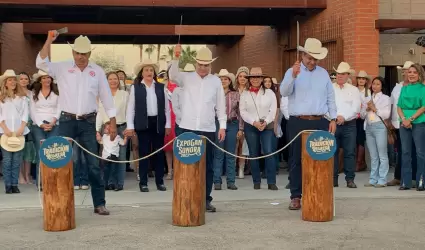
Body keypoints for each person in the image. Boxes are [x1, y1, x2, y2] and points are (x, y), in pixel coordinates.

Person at [36, 32, 117, 216]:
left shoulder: (97, 71)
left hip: (88, 122)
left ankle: (99, 203)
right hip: (66, 121)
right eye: (77, 53)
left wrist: (112, 122)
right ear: (73, 53)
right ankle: (59, 202)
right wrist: (49, 40)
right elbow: (40, 63)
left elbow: (106, 97)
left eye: (84, 53)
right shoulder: (62, 67)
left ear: (89, 53)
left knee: (93, 165)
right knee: (61, 161)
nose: (81, 57)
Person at [280, 38, 337, 210]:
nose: (312, 62)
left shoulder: (324, 73)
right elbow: (284, 91)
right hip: (298, 121)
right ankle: (296, 195)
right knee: (296, 159)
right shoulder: (292, 71)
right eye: (309, 58)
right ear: (303, 55)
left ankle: (316, 191)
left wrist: (333, 118)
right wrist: (292, 76)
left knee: (319, 158)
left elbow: (330, 97)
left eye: (315, 59)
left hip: (319, 120)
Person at [169, 45, 226, 212]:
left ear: (210, 65)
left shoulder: (215, 81)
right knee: (187, 165)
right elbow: (172, 76)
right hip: (187, 127)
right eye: (200, 64)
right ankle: (187, 197)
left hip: (208, 128)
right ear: (195, 64)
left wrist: (222, 126)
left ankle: (205, 199)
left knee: (207, 166)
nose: (203, 67)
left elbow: (220, 106)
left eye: (206, 65)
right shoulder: (186, 77)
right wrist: (176, 58)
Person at [125, 59, 171, 193]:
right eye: (146, 70)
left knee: (158, 153)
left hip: (158, 123)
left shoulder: (161, 87)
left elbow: (166, 109)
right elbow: (131, 109)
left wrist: (167, 124)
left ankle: (159, 182)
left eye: (151, 70)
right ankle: (143, 183)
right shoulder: (136, 87)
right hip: (142, 123)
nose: (149, 72)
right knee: (144, 153)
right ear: (142, 73)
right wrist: (130, 126)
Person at [240, 67, 278, 190]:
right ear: (250, 79)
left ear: (262, 79)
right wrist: (254, 122)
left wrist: (265, 122)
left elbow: (273, 110)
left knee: (268, 152)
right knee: (253, 153)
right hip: (251, 126)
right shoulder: (245, 94)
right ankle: (256, 181)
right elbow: (243, 111)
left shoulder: (269, 93)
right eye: (253, 77)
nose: (255, 80)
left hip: (267, 126)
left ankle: (271, 181)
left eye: (258, 77)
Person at [96, 72, 129, 191]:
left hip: (121, 127)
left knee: (121, 157)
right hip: (107, 129)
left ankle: (119, 183)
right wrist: (97, 130)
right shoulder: (102, 95)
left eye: (115, 79)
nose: (113, 81)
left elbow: (129, 111)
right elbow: (99, 113)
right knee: (107, 158)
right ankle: (108, 182)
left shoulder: (125, 94)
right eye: (110, 79)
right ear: (106, 81)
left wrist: (129, 127)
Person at [332, 62, 361, 188]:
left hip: (349, 124)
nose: (339, 76)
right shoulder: (330, 88)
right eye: (338, 73)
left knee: (350, 152)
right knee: (333, 152)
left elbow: (356, 108)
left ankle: (350, 179)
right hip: (333, 122)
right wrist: (335, 117)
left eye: (342, 74)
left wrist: (344, 117)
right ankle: (333, 179)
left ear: (347, 75)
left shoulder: (354, 90)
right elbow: (327, 105)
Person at [30, 70, 60, 190]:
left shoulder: (57, 92)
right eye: (44, 78)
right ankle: (41, 182)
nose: (47, 80)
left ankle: (52, 182)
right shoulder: (33, 93)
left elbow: (59, 108)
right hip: (38, 125)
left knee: (53, 154)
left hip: (54, 124)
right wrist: (41, 124)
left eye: (49, 78)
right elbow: (32, 111)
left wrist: (53, 121)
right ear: (40, 80)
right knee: (40, 153)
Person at [0, 69, 29, 194]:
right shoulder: (1, 98)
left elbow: (25, 113)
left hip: (19, 131)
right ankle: (8, 185)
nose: (12, 82)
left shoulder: (22, 98)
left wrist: (22, 127)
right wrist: (4, 128)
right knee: (7, 160)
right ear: (5, 83)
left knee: (17, 160)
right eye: (10, 80)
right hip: (5, 131)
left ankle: (14, 184)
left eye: (13, 80)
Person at [397, 63, 425, 191]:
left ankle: (421, 181)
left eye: (414, 72)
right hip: (404, 123)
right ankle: (405, 182)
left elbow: (423, 107)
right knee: (405, 152)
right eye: (410, 72)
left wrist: (411, 119)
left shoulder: (423, 88)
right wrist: (404, 119)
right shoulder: (404, 88)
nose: (411, 74)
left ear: (419, 74)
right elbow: (399, 106)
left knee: (420, 153)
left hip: (418, 122)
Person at [213, 69, 242, 191]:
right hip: (218, 123)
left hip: (232, 123)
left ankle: (231, 181)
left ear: (230, 81)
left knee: (231, 153)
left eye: (225, 79)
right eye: (221, 79)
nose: (223, 81)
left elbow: (240, 112)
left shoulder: (236, 94)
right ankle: (217, 181)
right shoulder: (214, 94)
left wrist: (241, 128)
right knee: (218, 153)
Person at [362, 76, 391, 187]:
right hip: (369, 127)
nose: (375, 86)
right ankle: (373, 179)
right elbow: (362, 115)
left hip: (380, 127)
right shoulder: (368, 98)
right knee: (373, 155)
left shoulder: (386, 98)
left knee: (382, 154)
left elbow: (386, 114)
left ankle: (382, 179)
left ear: (382, 86)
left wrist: (374, 108)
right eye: (374, 84)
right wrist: (366, 109)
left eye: (378, 84)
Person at [98, 122, 128, 191]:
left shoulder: (117, 137)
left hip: (114, 157)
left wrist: (126, 137)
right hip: (105, 157)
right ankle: (105, 185)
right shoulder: (104, 137)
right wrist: (98, 137)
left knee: (114, 171)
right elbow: (100, 142)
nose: (108, 130)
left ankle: (115, 185)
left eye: (109, 128)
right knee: (105, 171)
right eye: (106, 128)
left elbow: (123, 143)